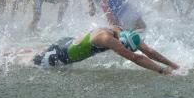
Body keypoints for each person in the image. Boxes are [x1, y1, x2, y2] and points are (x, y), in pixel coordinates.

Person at [26, 26, 179, 75]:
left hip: (68, 42)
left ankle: (20, 50)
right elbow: (135, 58)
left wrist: (174, 65)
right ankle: (13, 54)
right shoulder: (107, 39)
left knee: (35, 53)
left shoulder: (119, 31)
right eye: (124, 47)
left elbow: (149, 51)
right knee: (28, 63)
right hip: (60, 55)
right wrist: (162, 71)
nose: (122, 50)